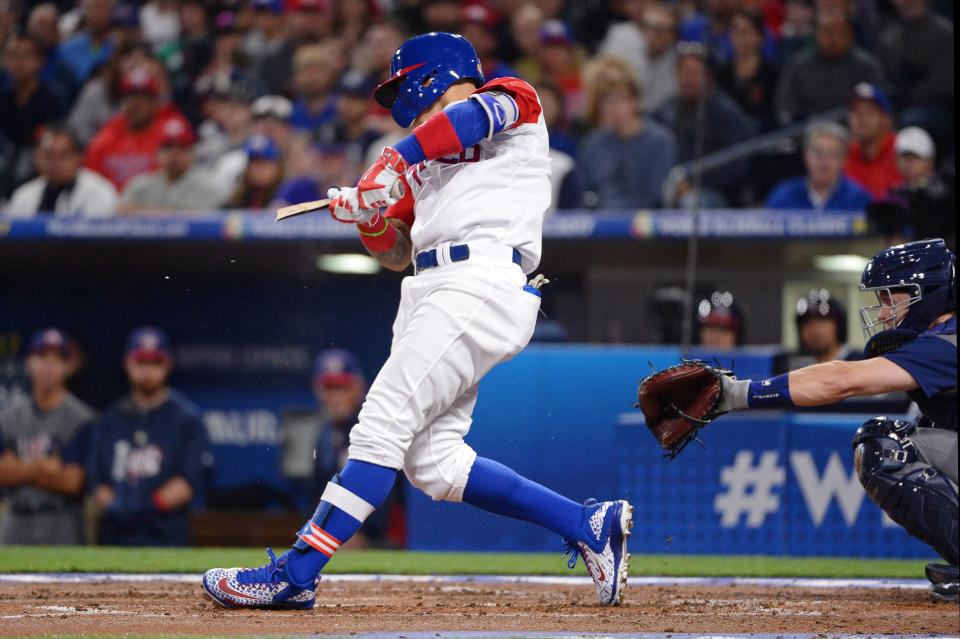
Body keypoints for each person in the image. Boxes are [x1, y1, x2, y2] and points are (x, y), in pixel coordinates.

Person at [203, 32, 632, 610]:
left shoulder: (511, 97)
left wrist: (391, 162)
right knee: (433, 463)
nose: (404, 98)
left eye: (407, 85)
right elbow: (394, 252)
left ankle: (296, 572)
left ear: (433, 74)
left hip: (479, 280)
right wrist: (368, 214)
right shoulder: (422, 161)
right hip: (430, 288)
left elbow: (470, 119)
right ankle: (587, 524)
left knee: (379, 424)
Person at [707, 238, 957, 602]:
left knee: (885, 446)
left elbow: (841, 381)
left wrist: (736, 394)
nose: (884, 312)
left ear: (930, 293)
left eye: (893, 299)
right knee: (916, 427)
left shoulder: (944, 342)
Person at [88, 327, 209, 547]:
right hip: (116, 534)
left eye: (155, 363)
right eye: (140, 362)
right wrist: (117, 505)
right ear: (127, 363)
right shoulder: (111, 418)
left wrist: (148, 505)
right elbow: (97, 480)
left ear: (167, 365)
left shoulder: (186, 418)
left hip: (166, 533)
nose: (147, 371)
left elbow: (189, 481)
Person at [0, 329, 93, 545]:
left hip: (61, 521)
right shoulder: (7, 418)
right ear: (28, 362)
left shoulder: (82, 418)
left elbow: (71, 482)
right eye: (41, 357)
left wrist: (18, 468)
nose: (48, 366)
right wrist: (42, 467)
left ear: (68, 366)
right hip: (16, 521)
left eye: (57, 359)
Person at [652, 43, 756, 206]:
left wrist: (693, 182)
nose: (687, 78)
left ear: (708, 77)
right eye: (683, 71)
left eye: (694, 72)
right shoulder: (666, 110)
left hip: (714, 192)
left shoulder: (726, 113)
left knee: (690, 203)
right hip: (669, 187)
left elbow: (738, 162)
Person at [84, 67, 191, 190]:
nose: (136, 104)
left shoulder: (171, 131)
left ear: (155, 102)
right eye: (130, 97)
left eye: (143, 97)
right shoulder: (107, 134)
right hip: (112, 206)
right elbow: (91, 180)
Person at [579, 74, 676, 209]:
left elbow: (656, 193)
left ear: (635, 102)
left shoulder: (660, 141)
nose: (614, 107)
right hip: (602, 220)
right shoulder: (593, 144)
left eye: (621, 99)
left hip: (647, 220)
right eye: (607, 101)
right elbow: (587, 191)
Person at [774, 12, 885, 124]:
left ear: (851, 34)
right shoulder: (799, 66)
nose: (833, 39)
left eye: (839, 32)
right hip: (809, 132)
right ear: (816, 34)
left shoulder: (866, 65)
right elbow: (786, 107)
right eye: (827, 32)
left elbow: (878, 105)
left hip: (854, 129)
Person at [868, 126, 954, 249]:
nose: (909, 164)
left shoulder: (944, 192)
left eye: (915, 158)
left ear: (930, 161)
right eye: (904, 157)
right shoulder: (891, 195)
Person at [5, 124, 118, 217]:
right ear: (37, 158)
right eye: (48, 156)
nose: (54, 163)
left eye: (63, 155)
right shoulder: (24, 196)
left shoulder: (100, 192)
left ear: (78, 158)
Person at [120, 119, 223, 214]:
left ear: (193, 153)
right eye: (167, 147)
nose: (174, 153)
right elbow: (122, 212)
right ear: (156, 154)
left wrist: (142, 211)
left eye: (182, 147)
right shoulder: (140, 185)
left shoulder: (210, 185)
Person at [765, 120, 871, 211]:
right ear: (806, 156)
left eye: (832, 154)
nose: (824, 161)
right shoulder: (783, 196)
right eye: (818, 153)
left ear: (844, 160)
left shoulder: (859, 198)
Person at [714, 7, 778, 132]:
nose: (739, 37)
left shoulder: (773, 75)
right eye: (735, 31)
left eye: (746, 31)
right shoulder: (721, 74)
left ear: (759, 36)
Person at [845, 82, 901, 199]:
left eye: (869, 111)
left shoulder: (903, 152)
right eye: (856, 111)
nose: (861, 117)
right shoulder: (842, 156)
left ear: (886, 120)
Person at [228, 134, 284, 209]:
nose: (259, 169)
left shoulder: (287, 196)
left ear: (277, 167)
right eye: (254, 162)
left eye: (264, 162)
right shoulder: (238, 200)